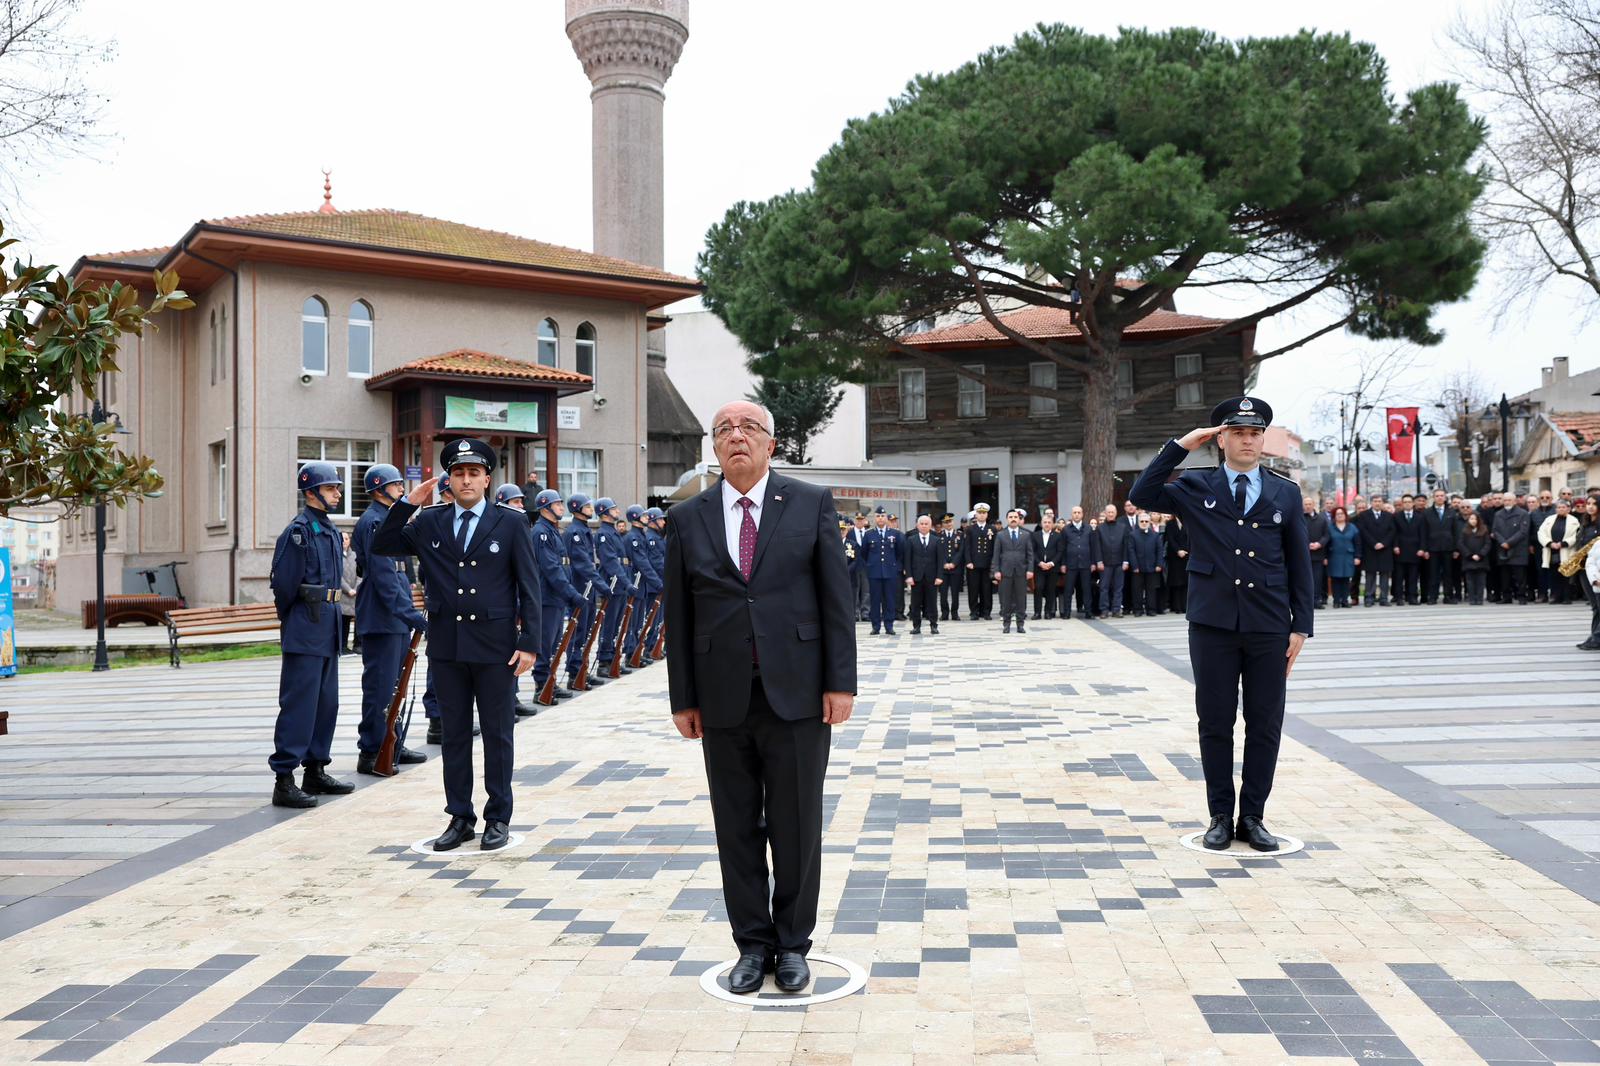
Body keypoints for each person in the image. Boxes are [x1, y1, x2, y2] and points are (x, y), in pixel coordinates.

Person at [663, 399, 856, 996]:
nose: (736, 436)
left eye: (749, 427)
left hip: (797, 692)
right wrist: (682, 697)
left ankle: (793, 944)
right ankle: (752, 943)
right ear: (714, 448)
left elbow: (836, 599)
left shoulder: (809, 503)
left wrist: (840, 682)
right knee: (736, 825)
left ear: (771, 444)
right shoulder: (687, 517)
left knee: (796, 824)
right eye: (724, 430)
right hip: (721, 695)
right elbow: (679, 612)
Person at [1129, 395, 1312, 852]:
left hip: (1269, 623)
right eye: (1238, 433)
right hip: (1212, 623)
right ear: (1221, 439)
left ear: (1262, 440)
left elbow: (1298, 562)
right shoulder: (1195, 485)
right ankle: (1219, 816)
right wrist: (1181, 446)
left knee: (1264, 723)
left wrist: (1300, 626)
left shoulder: (1285, 492)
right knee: (1214, 722)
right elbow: (1141, 494)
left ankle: (1253, 817)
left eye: (1255, 433)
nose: (1248, 440)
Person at [372, 437, 541, 851]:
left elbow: (529, 586)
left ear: (486, 479)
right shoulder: (430, 521)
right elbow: (384, 544)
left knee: (498, 735)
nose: (466, 480)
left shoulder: (511, 522)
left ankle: (497, 817)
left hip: (497, 648)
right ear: (449, 480)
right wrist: (407, 504)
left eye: (473, 473)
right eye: (459, 473)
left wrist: (529, 642)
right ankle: (460, 816)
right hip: (448, 647)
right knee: (455, 736)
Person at [267, 462, 357, 809]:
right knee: (300, 705)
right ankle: (284, 779)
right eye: (331, 488)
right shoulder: (298, 532)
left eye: (337, 488)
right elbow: (284, 586)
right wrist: (294, 622)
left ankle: (316, 769)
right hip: (306, 626)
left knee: (326, 704)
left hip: (329, 626)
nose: (337, 493)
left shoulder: (329, 530)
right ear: (311, 492)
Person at [351, 463, 428, 775]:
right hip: (382, 617)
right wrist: (410, 614)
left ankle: (393, 742)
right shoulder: (375, 521)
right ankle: (372, 750)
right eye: (395, 484)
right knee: (381, 689)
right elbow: (384, 576)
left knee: (396, 686)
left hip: (394, 617)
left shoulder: (389, 519)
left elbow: (400, 573)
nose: (401, 488)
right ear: (380, 488)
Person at [494, 484, 542, 716]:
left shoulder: (518, 525)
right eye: (516, 502)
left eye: (522, 501)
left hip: (514, 600)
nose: (521, 505)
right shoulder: (497, 528)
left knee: (514, 651)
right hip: (500, 603)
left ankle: (511, 697)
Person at [563, 493, 608, 690]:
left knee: (587, 632)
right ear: (577, 508)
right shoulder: (574, 532)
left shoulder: (583, 529)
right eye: (587, 506)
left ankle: (582, 670)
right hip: (580, 586)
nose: (591, 509)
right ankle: (574, 674)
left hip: (588, 588)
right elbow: (583, 564)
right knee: (578, 632)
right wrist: (602, 585)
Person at [591, 498, 633, 676]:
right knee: (609, 625)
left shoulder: (613, 532)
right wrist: (626, 582)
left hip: (619, 584)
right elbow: (610, 562)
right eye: (613, 509)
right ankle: (604, 661)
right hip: (612, 583)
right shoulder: (603, 534)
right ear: (605, 512)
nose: (617, 511)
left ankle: (613, 657)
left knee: (616, 624)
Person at [623, 505, 663, 666]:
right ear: (635, 517)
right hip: (636, 581)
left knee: (639, 623)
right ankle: (630, 654)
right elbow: (643, 563)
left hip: (642, 583)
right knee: (633, 622)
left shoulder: (640, 536)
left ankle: (635, 653)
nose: (647, 518)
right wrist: (659, 584)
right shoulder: (633, 537)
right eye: (644, 515)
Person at [860, 506, 903, 636]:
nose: (880, 518)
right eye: (878, 516)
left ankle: (889, 626)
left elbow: (900, 552)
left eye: (883, 516)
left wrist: (895, 567)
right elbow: (864, 553)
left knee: (889, 600)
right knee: (875, 600)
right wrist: (870, 566)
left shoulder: (895, 534)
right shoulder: (869, 534)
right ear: (875, 518)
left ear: (886, 518)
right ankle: (876, 626)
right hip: (874, 573)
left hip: (890, 572)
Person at [991, 508, 1035, 633]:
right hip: (1005, 572)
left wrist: (1030, 569)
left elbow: (1030, 554)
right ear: (1007, 519)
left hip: (1021, 572)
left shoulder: (1025, 535)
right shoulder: (1000, 535)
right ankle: (1006, 624)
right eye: (1011, 517)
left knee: (1021, 599)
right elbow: (996, 555)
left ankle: (1020, 625)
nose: (1013, 519)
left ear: (1019, 519)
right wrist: (996, 571)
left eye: (1015, 517)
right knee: (1006, 600)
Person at [904, 514, 942, 634]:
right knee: (915, 603)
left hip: (932, 577)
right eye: (922, 524)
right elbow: (907, 559)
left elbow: (940, 560)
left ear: (930, 526)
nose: (924, 526)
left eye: (926, 524)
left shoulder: (936, 540)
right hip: (916, 577)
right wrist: (909, 576)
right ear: (917, 525)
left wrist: (939, 576)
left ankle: (933, 625)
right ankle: (916, 626)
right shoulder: (911, 540)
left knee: (932, 602)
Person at [1354, 495, 1395, 607]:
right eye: (1375, 501)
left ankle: (1384, 598)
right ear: (1371, 503)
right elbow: (1363, 531)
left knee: (1384, 575)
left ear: (1382, 503)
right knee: (1370, 574)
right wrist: (1374, 543)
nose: (1377, 503)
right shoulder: (1364, 515)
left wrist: (1383, 543)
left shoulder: (1389, 516)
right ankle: (1369, 597)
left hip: (1385, 549)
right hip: (1370, 549)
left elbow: (1392, 531)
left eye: (1379, 501)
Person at [1420, 490, 1459, 604]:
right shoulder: (1427, 513)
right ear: (1433, 498)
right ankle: (1433, 596)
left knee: (1448, 573)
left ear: (1445, 497)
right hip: (1432, 548)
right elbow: (1423, 532)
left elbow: (1456, 532)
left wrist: (1456, 549)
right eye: (1437, 496)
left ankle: (1448, 596)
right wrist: (1425, 549)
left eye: (1442, 496)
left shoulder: (1451, 512)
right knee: (1433, 574)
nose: (1440, 498)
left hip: (1448, 547)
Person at [1492, 497, 1532, 605]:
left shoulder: (1523, 513)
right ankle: (1506, 597)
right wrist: (1502, 542)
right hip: (1503, 548)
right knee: (1505, 575)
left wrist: (1509, 542)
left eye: (1509, 500)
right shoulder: (1498, 514)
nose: (1507, 502)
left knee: (1520, 576)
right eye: (1505, 500)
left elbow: (1523, 531)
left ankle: (1521, 596)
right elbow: (1495, 530)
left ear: (1514, 501)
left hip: (1518, 548)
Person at [1538, 500, 1579, 605]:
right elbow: (1541, 533)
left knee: (1566, 575)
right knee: (1553, 574)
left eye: (1563, 507)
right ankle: (1555, 596)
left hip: (1566, 550)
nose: (1561, 509)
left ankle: (1566, 597)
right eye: (1559, 507)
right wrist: (1549, 543)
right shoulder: (1549, 519)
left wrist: (1564, 543)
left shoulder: (1574, 521)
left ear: (1568, 509)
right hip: (1552, 550)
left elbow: (1576, 535)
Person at [1124, 510, 1163, 616]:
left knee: (1151, 590)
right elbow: (1131, 551)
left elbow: (1159, 550)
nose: (1144, 523)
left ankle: (1151, 610)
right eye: (1142, 521)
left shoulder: (1155, 535)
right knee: (1137, 590)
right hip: (1138, 568)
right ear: (1139, 522)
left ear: (1149, 522)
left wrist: (1159, 564)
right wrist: (1134, 566)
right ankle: (1138, 610)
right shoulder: (1133, 535)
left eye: (1146, 521)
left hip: (1152, 567)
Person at [1095, 503, 1129, 617]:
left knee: (1118, 588)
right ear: (1105, 513)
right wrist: (1099, 561)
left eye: (1112, 512)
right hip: (1105, 563)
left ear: (1116, 513)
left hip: (1119, 563)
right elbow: (1097, 546)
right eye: (1108, 512)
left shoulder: (1122, 527)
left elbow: (1125, 545)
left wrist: (1125, 561)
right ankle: (1104, 610)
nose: (1110, 514)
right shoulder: (1100, 528)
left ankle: (1116, 610)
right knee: (1104, 588)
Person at [963, 503, 997, 619]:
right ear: (976, 515)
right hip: (973, 564)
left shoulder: (992, 529)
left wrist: (993, 564)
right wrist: (968, 561)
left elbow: (994, 548)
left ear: (987, 515)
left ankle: (986, 612)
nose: (982, 515)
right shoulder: (970, 529)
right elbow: (967, 547)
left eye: (984, 513)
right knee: (973, 589)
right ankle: (974, 612)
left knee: (986, 590)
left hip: (987, 564)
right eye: (979, 513)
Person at [1062, 506, 1095, 619]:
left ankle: (1088, 612)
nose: (1076, 514)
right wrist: (1063, 564)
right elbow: (1063, 548)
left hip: (1085, 564)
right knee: (1068, 589)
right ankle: (1067, 612)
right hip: (1071, 564)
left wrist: (1093, 563)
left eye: (1079, 512)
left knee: (1086, 589)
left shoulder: (1088, 528)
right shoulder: (1066, 529)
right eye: (1074, 512)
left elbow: (1093, 547)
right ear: (1072, 515)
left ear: (1082, 514)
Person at [1393, 494, 1425, 605]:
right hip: (1400, 550)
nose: (1407, 504)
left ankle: (1412, 597)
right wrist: (1395, 546)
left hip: (1415, 550)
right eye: (1405, 502)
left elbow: (1423, 534)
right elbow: (1394, 533)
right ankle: (1399, 597)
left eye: (1409, 502)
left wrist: (1422, 548)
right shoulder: (1396, 516)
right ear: (1402, 504)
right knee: (1399, 576)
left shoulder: (1420, 517)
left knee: (1413, 576)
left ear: (1413, 503)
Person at [1031, 509, 1063, 619]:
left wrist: (1052, 563)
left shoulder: (1058, 536)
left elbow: (1060, 552)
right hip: (1039, 567)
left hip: (1052, 567)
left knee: (1051, 589)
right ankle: (1037, 612)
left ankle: (1048, 612)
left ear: (1052, 524)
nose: (1047, 524)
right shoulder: (1035, 535)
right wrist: (1039, 563)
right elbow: (1032, 551)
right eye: (1045, 522)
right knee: (1038, 588)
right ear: (1041, 523)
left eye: (1049, 522)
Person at [1457, 509, 1493, 606]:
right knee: (1470, 581)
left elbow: (1487, 544)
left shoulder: (1484, 530)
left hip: (1481, 560)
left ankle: (1479, 598)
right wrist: (1469, 555)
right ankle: (1472, 598)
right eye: (1471, 519)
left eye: (1475, 519)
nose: (1473, 521)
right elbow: (1461, 544)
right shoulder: (1464, 530)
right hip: (1469, 560)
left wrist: (1480, 554)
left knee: (1481, 581)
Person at [1326, 507, 1360, 607]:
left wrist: (1357, 556)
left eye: (1342, 513)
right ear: (1334, 516)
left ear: (1345, 515)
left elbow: (1357, 543)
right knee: (1335, 579)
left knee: (1346, 579)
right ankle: (1336, 601)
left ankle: (1345, 600)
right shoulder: (1329, 527)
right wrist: (1325, 557)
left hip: (1348, 556)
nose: (1340, 515)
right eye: (1337, 514)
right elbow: (1326, 543)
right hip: (1334, 556)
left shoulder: (1352, 527)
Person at [1303, 497, 1330, 609]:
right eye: (1305, 504)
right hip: (1303, 555)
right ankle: (1306, 602)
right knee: (1304, 579)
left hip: (1318, 554)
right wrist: (1307, 544)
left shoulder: (1322, 519)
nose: (1308, 506)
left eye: (1309, 504)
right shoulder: (1300, 518)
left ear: (1313, 505)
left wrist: (1320, 544)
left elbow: (1327, 535)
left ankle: (1316, 600)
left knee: (1317, 579)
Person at [1581, 497, 1600, 650]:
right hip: (1584, 568)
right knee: (1595, 606)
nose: (1590, 507)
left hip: (1596, 569)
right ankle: (1594, 635)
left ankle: (1596, 638)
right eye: (1588, 504)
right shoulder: (1585, 524)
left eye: (1594, 504)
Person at [938, 513, 965, 621]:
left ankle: (955, 613)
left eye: (950, 521)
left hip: (956, 568)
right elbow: (939, 552)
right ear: (942, 524)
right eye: (946, 522)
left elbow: (961, 551)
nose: (948, 524)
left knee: (955, 593)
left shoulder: (959, 535)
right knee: (943, 593)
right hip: (943, 569)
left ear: (953, 522)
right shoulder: (939, 535)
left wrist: (954, 563)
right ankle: (944, 613)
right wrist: (944, 563)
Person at [1163, 511, 1190, 614]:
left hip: (1187, 556)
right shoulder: (1170, 524)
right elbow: (1170, 539)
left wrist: (1186, 550)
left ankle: (1185, 606)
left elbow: (1191, 538)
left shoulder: (1188, 522)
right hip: (1175, 557)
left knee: (1186, 583)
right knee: (1176, 583)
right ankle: (1177, 607)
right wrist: (1178, 550)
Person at [339, 531, 359, 654]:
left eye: (346, 539)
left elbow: (360, 573)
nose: (344, 541)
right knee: (344, 621)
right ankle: (343, 646)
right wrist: (348, 589)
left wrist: (356, 588)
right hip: (343, 595)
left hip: (356, 594)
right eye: (342, 539)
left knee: (359, 619)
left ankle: (358, 645)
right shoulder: (336, 556)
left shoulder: (355, 555)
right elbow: (338, 576)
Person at [849, 513, 871, 621]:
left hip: (866, 566)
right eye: (858, 519)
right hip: (854, 566)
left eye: (861, 519)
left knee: (866, 590)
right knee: (855, 590)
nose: (859, 521)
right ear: (855, 520)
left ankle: (865, 612)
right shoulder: (850, 533)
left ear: (865, 521)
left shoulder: (869, 533)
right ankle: (855, 613)